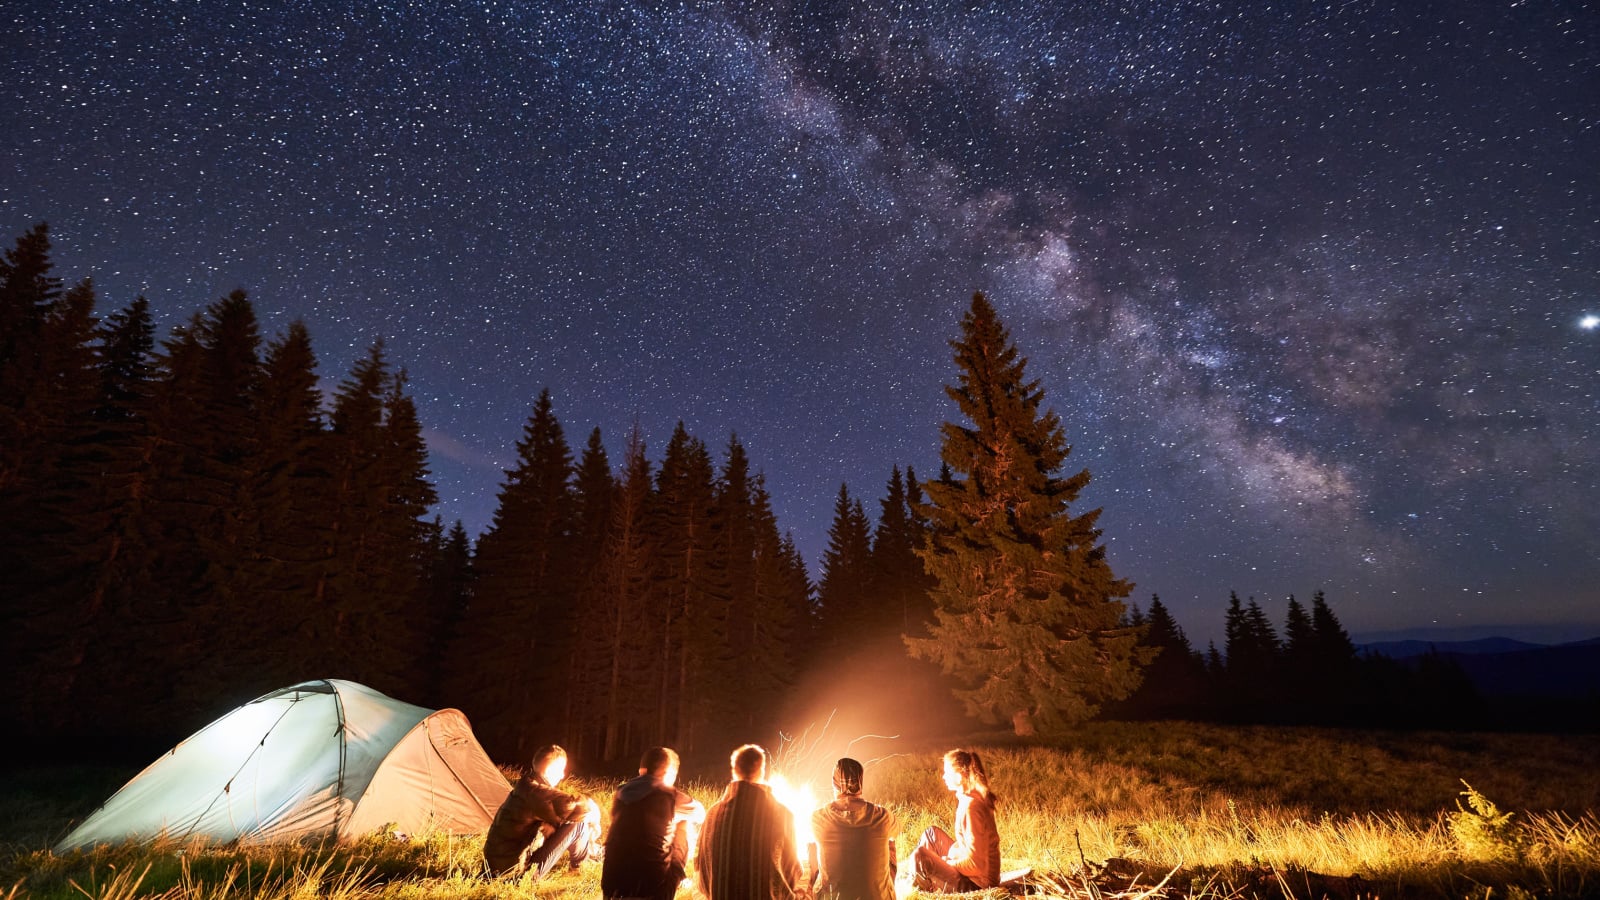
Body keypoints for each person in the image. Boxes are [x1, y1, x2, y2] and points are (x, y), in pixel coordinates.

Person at [696, 743, 805, 900]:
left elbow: (702, 869)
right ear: (762, 771)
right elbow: (792, 871)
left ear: (734, 771)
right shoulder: (781, 814)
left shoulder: (713, 814)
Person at [483, 744, 602, 878]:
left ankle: (591, 853)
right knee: (578, 825)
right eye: (561, 770)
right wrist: (594, 813)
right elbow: (578, 809)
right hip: (513, 874)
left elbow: (559, 816)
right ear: (552, 769)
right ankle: (578, 869)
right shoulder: (537, 794)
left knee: (566, 823)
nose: (563, 775)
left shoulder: (527, 784)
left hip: (498, 866)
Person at [602, 746, 707, 900]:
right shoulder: (668, 794)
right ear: (668, 773)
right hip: (653, 892)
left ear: (641, 771)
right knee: (685, 823)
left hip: (612, 889)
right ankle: (681, 879)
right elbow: (700, 813)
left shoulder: (620, 793)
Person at [909, 749, 1000, 893]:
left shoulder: (972, 808)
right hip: (971, 872)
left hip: (977, 884)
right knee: (931, 834)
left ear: (960, 776)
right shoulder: (969, 798)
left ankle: (920, 890)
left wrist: (948, 862)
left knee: (920, 855)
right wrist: (953, 855)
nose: (944, 777)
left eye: (947, 772)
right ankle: (928, 883)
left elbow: (977, 864)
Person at [808, 757, 897, 900]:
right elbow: (896, 833)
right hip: (876, 897)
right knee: (890, 842)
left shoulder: (818, 818)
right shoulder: (883, 816)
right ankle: (882, 892)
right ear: (860, 782)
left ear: (834, 784)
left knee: (811, 845)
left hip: (831, 897)